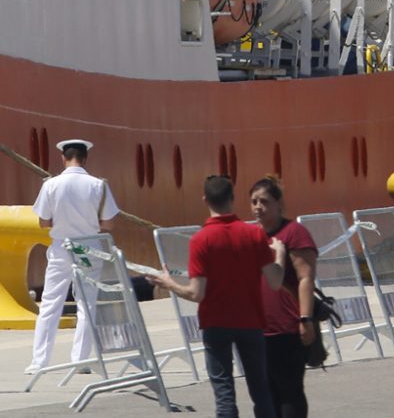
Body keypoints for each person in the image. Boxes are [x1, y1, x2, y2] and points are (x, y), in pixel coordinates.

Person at [149, 176, 286, 418]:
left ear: (205, 200)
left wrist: (169, 283)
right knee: (260, 389)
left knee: (224, 394)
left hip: (216, 322)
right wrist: (280, 255)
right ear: (232, 199)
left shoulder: (201, 240)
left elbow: (196, 292)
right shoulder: (253, 234)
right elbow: (275, 282)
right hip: (250, 321)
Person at [26, 139, 120, 375]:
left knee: (50, 303)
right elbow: (109, 223)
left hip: (61, 248)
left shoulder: (51, 185)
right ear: (85, 158)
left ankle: (39, 362)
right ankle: (80, 360)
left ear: (63, 158)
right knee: (86, 304)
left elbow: (43, 221)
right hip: (88, 249)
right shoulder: (98, 185)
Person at [251, 176, 317, 418]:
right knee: (264, 394)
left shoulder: (294, 233)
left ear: (279, 204)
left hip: (287, 327)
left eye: (264, 201)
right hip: (257, 329)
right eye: (254, 201)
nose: (258, 207)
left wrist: (305, 319)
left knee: (289, 391)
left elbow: (305, 278)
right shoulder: (251, 236)